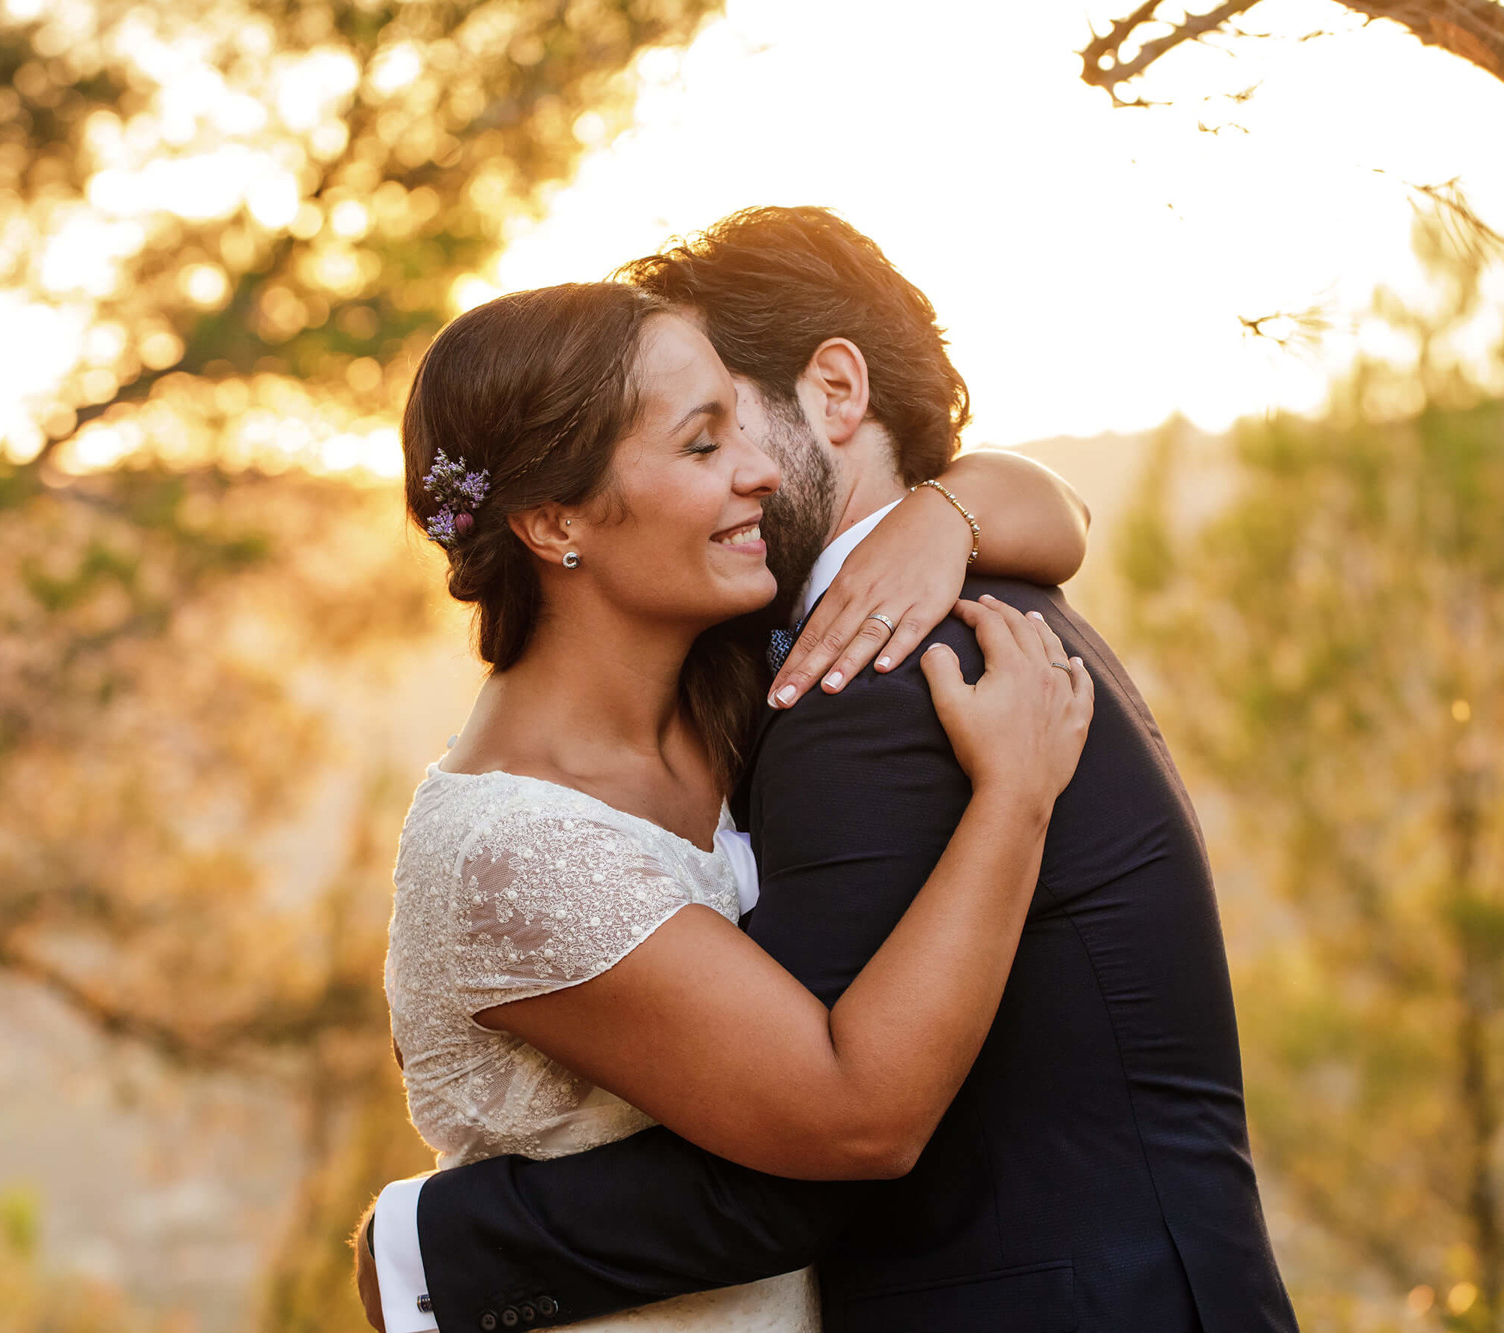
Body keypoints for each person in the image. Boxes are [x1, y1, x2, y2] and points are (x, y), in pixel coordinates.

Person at [360, 208, 1298, 1333]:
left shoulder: (837, 676)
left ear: (838, 393)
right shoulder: (582, 811)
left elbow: (848, 1129)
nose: (751, 469)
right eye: (703, 441)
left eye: (736, 423)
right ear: (554, 518)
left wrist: (947, 511)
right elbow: (841, 1124)